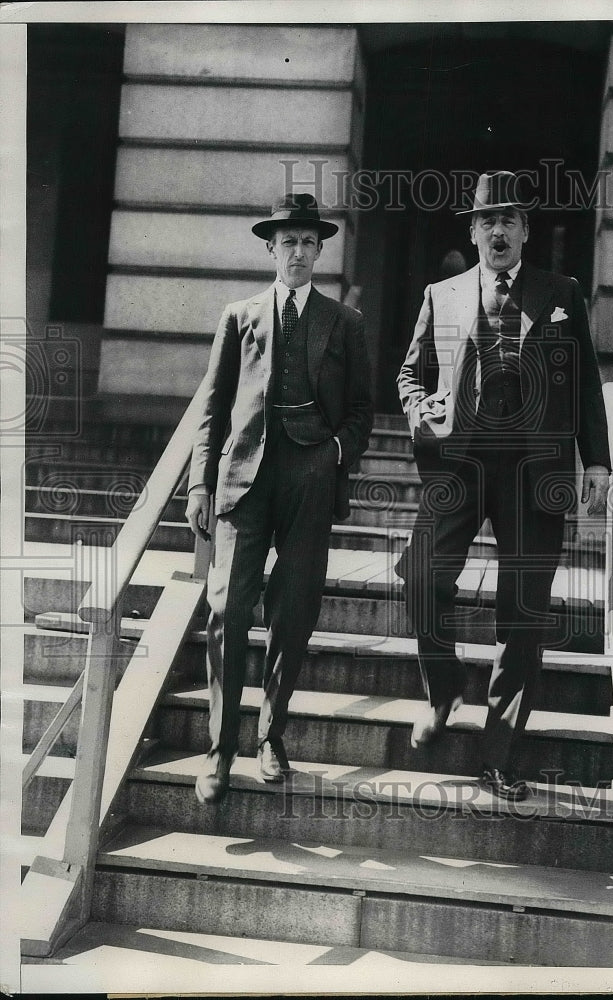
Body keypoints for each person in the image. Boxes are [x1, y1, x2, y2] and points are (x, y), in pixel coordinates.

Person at [396, 171, 610, 802]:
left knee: (523, 613)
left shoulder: (562, 292)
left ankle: (498, 755)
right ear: (473, 229)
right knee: (421, 577)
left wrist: (595, 462)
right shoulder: (443, 294)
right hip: (460, 465)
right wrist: (419, 411)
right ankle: (443, 690)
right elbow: (410, 373)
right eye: (487, 220)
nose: (498, 230)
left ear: (525, 231)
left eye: (510, 220)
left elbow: (589, 388)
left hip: (534, 471)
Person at [186, 193, 373, 804]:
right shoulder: (239, 316)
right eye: (288, 242)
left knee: (293, 609)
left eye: (309, 243)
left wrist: (335, 455)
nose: (298, 252)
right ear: (272, 248)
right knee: (227, 611)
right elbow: (213, 407)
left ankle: (271, 735)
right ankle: (218, 750)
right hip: (244, 478)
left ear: (320, 251)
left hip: (309, 477)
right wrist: (199, 482)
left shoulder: (343, 323)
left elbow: (364, 410)